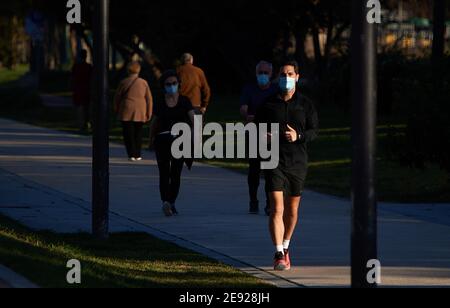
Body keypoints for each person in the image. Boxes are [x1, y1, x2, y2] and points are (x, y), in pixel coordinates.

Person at [255, 60, 319, 271]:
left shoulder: (305, 104)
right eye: (282, 74)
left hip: (298, 162)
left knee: (291, 210)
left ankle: (286, 245)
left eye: (290, 74)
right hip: (273, 160)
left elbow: (313, 132)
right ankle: (278, 254)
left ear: (297, 77)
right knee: (276, 208)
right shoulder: (267, 104)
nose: (286, 78)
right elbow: (254, 129)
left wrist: (297, 135)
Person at [150, 70, 195, 217]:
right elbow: (154, 122)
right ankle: (165, 202)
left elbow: (194, 119)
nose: (171, 86)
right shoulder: (160, 102)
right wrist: (151, 139)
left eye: (174, 83)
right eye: (168, 84)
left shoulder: (184, 101)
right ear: (163, 86)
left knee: (175, 173)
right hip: (162, 140)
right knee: (164, 173)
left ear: (179, 84)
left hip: (180, 141)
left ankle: (171, 202)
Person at [240, 61, 278, 215]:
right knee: (254, 170)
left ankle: (269, 203)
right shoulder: (249, 89)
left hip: (271, 134)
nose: (263, 75)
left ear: (271, 74)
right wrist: (247, 115)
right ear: (256, 74)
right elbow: (243, 108)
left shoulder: (276, 90)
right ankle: (253, 200)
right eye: (260, 73)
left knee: (271, 171)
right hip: (255, 133)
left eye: (266, 73)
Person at [114, 61, 153, 161]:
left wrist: (116, 109)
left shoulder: (124, 82)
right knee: (138, 133)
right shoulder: (144, 83)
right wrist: (149, 112)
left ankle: (131, 153)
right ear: (139, 70)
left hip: (126, 110)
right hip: (140, 110)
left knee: (128, 133)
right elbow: (149, 99)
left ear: (128, 70)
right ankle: (138, 154)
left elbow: (117, 97)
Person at [71, 49, 93, 132]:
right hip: (87, 90)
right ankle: (86, 123)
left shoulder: (76, 67)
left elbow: (72, 78)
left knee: (80, 108)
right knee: (86, 108)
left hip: (79, 90)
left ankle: (81, 125)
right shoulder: (89, 67)